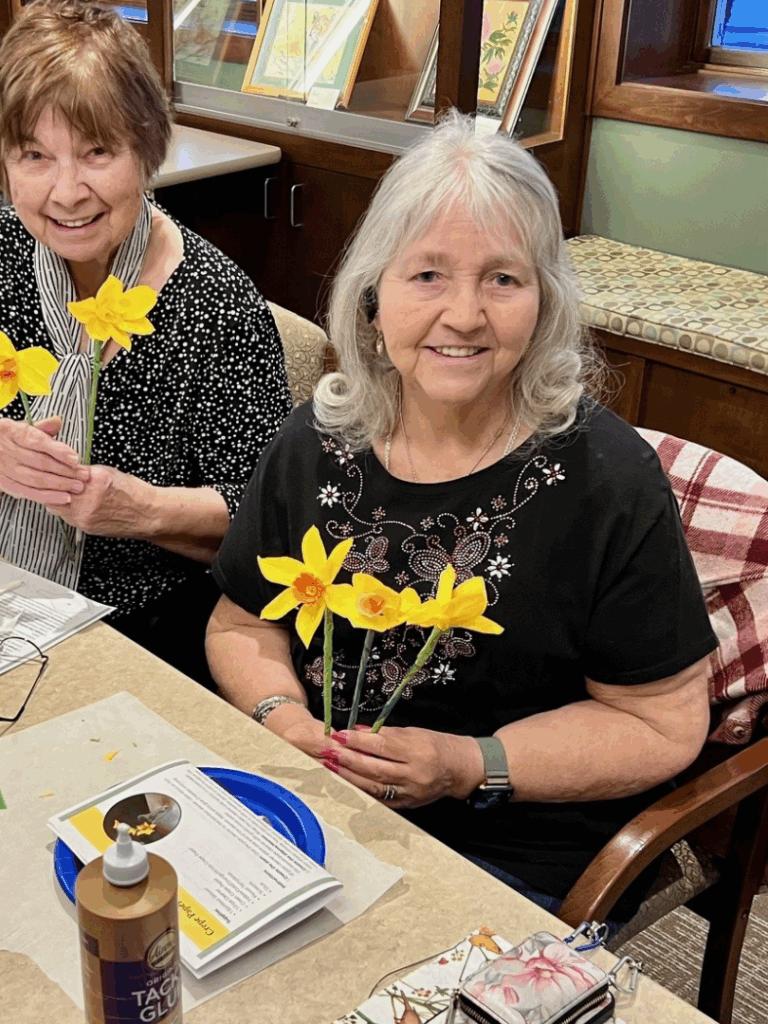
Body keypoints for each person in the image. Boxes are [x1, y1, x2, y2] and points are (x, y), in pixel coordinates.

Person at [207, 112, 718, 917]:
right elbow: (242, 625)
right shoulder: (314, 438)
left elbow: (662, 724)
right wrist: (280, 714)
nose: (465, 315)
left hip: (509, 848)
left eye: (503, 279)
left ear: (544, 302)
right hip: (315, 799)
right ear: (374, 297)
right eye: (428, 276)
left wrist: (469, 763)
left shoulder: (609, 481)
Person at [0, 0, 291, 688]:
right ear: (0, 162)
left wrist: (145, 511)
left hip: (145, 625)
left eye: (98, 152)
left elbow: (268, 518)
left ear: (149, 150)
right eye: (33, 156)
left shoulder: (218, 304)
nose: (67, 192)